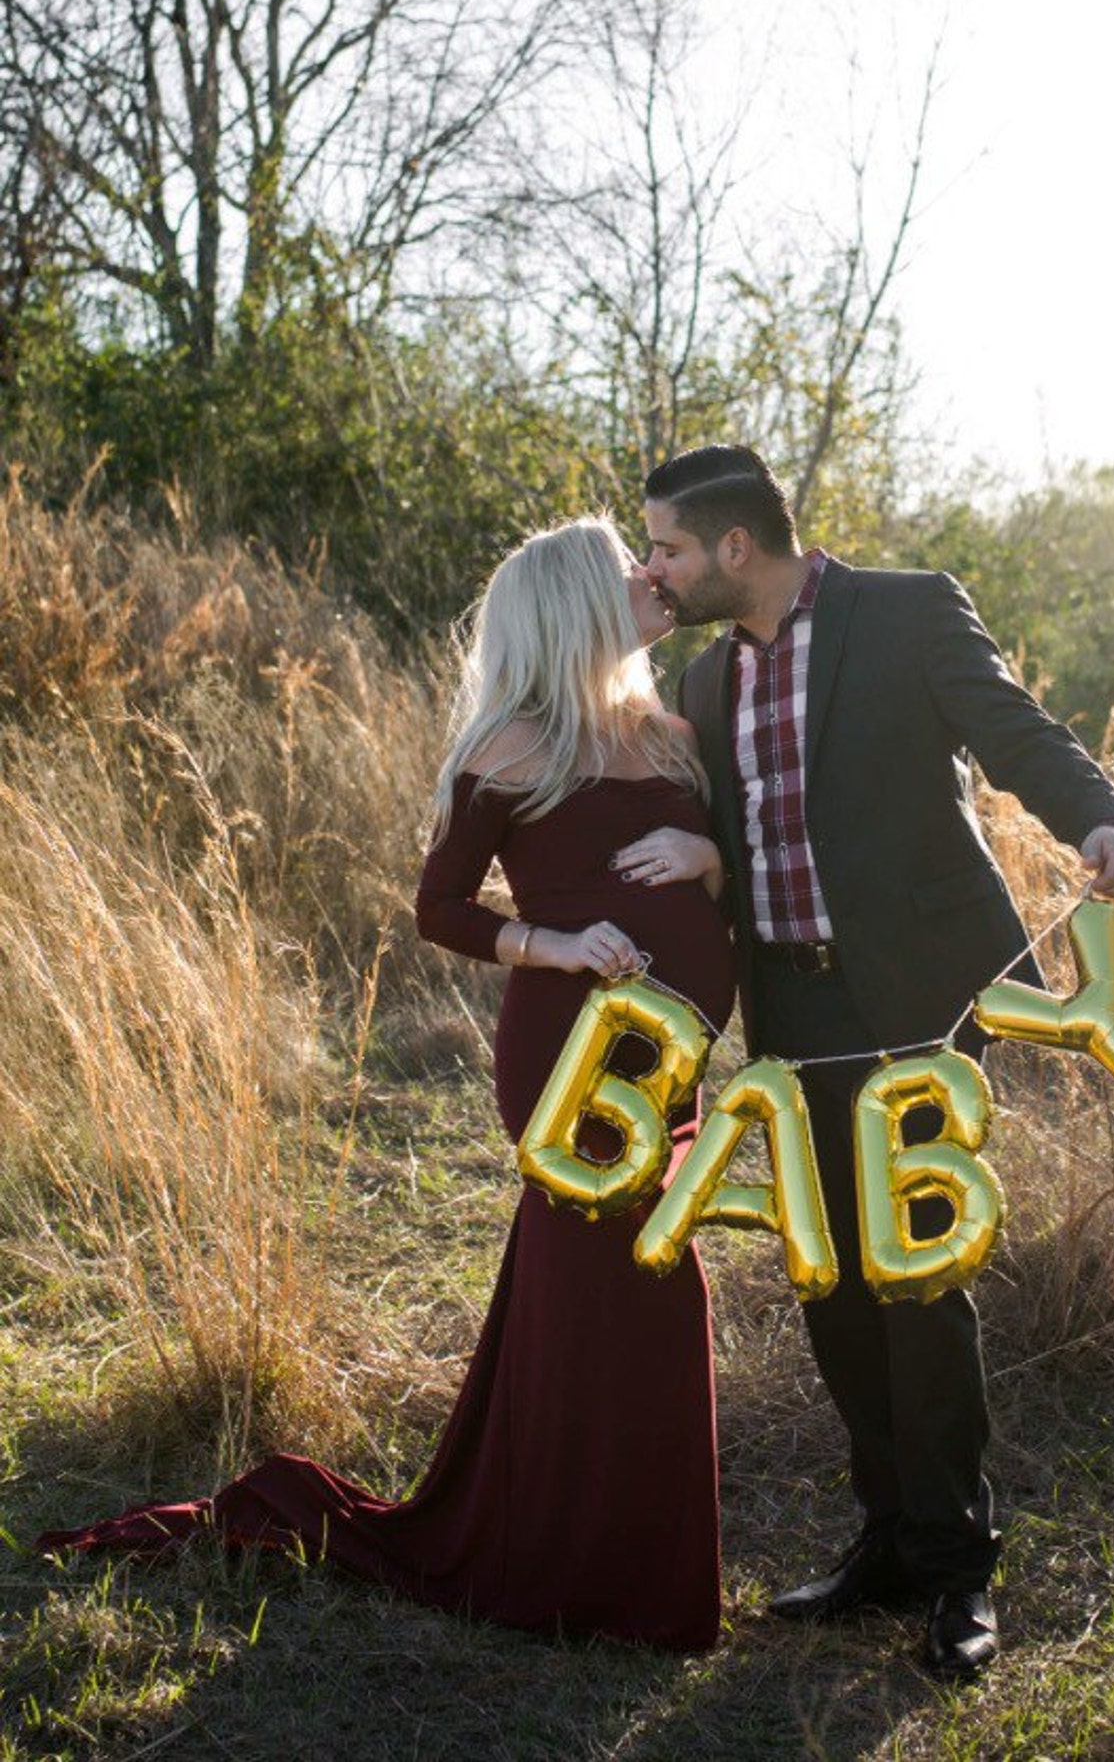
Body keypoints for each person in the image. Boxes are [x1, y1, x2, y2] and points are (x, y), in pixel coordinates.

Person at [39, 518, 734, 1653]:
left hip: (670, 1062)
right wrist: (551, 945)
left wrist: (709, 862)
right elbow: (441, 909)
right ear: (573, 606)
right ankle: (578, 1573)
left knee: (649, 1285)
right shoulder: (512, 746)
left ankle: (629, 1570)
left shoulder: (673, 733)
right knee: (621, 1280)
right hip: (567, 1057)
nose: (656, 577)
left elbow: (735, 871)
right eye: (629, 570)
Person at [642, 446, 1114, 1680]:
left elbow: (1014, 731)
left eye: (664, 546)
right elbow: (727, 833)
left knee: (919, 1283)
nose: (651, 567)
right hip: (795, 1020)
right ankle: (886, 1537)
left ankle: (958, 1570)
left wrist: (1100, 817)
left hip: (922, 1010)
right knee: (833, 1283)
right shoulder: (704, 682)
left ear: (735, 548)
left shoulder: (907, 608)